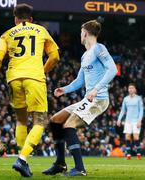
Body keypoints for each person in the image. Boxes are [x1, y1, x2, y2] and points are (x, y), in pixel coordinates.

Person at [0, 3, 60, 177]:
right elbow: (55, 56)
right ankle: (22, 159)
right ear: (31, 19)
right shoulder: (41, 30)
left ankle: (22, 157)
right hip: (34, 78)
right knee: (40, 121)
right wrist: (43, 70)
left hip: (13, 79)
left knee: (21, 121)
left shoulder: (6, 34)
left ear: (15, 19)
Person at [42, 20, 117, 176]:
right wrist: (65, 89)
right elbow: (80, 81)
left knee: (69, 125)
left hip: (99, 99)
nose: (80, 35)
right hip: (87, 99)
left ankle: (79, 168)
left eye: (81, 32)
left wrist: (96, 89)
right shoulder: (85, 56)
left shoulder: (99, 48)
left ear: (85, 33)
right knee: (55, 121)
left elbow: (112, 69)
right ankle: (60, 163)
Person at [117, 83, 143, 160]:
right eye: (129, 88)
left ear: (135, 89)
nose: (130, 89)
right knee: (127, 137)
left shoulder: (138, 98)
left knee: (136, 137)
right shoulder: (125, 99)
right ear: (128, 90)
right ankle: (128, 155)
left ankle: (138, 154)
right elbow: (123, 110)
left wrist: (139, 121)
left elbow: (141, 110)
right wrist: (119, 119)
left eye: (132, 88)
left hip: (136, 121)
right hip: (128, 120)